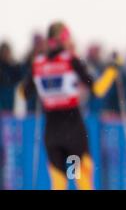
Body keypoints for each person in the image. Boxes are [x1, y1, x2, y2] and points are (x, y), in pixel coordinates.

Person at [20, 22, 120, 190]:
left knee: (59, 183)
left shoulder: (38, 63)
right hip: (74, 132)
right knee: (81, 180)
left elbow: (23, 93)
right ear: (64, 39)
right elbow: (98, 89)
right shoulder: (70, 60)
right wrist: (113, 68)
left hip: (52, 133)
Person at [0, 42, 24, 112]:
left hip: (11, 91)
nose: (5, 54)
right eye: (3, 52)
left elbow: (19, 77)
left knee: (11, 109)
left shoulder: (14, 65)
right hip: (2, 91)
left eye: (7, 52)